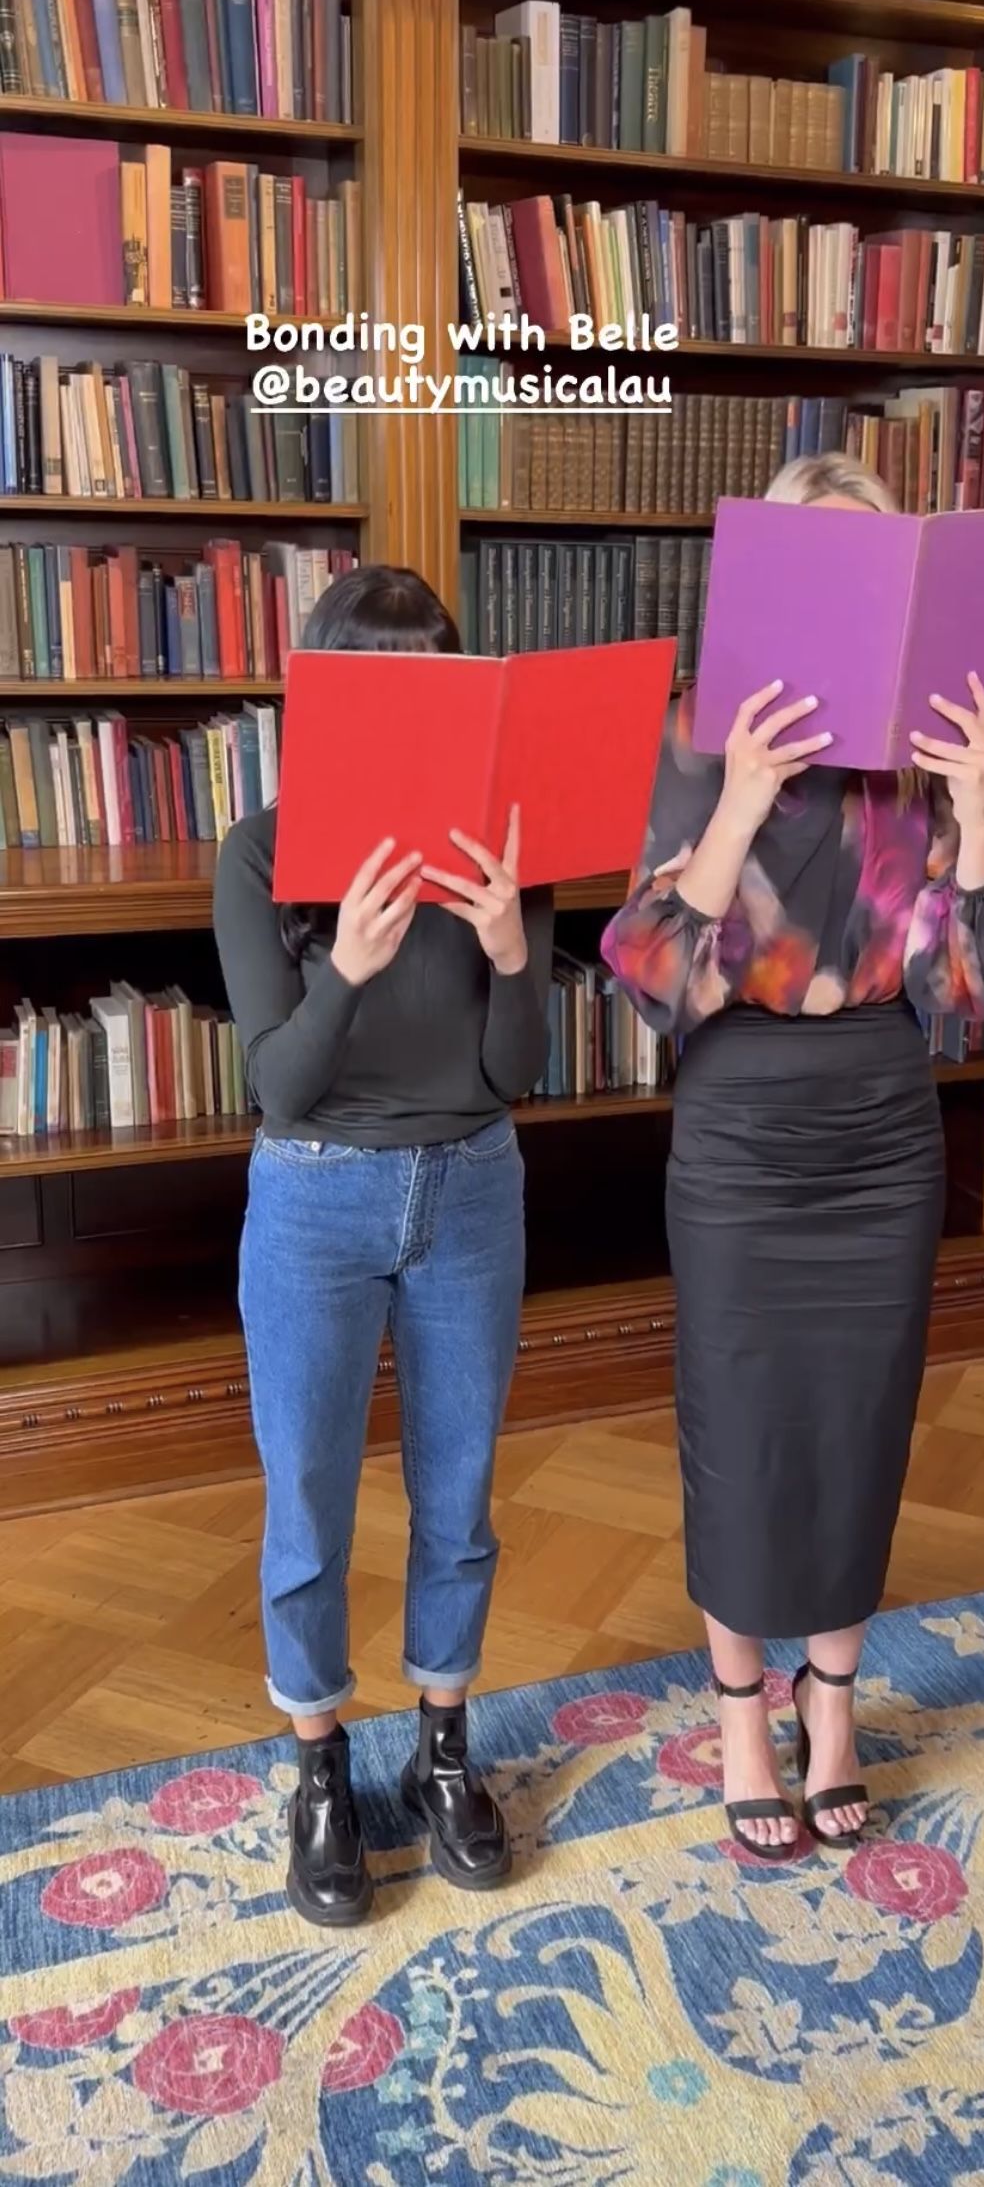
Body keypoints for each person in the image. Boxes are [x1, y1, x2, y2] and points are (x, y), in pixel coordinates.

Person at [602, 452, 984, 1860]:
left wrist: (978, 814)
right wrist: (738, 801)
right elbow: (649, 972)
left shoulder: (920, 752)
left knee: (862, 1422)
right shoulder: (692, 732)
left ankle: (833, 1701)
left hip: (880, 1121)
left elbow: (970, 989)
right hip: (739, 1121)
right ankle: (743, 1711)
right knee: (739, 1427)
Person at [214, 563, 553, 1925]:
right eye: (380, 684)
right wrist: (346, 965)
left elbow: (514, 1071)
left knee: (459, 1492)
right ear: (330, 701)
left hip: (472, 1188)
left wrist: (511, 946)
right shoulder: (259, 854)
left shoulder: (501, 846)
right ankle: (320, 1769)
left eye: (435, 683)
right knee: (307, 1500)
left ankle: (444, 1747)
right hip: (314, 1198)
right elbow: (281, 1086)